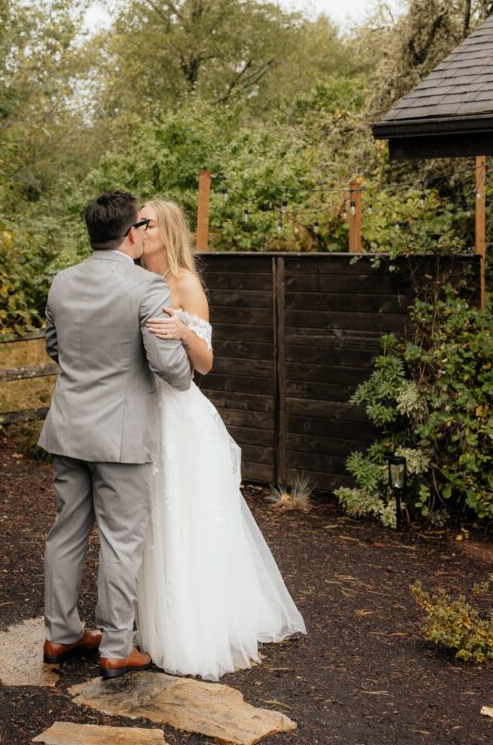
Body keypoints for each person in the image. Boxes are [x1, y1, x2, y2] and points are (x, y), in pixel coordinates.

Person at [135, 198, 306, 681]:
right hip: (144, 412)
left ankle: (198, 627)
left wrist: (183, 332)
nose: (136, 229)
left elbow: (207, 363)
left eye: (143, 222)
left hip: (181, 415)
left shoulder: (187, 284)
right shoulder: (132, 280)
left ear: (163, 230)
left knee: (190, 516)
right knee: (153, 519)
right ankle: (157, 622)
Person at [38, 191, 192, 680]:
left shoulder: (62, 281)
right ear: (132, 233)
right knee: (122, 539)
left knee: (66, 532)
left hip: (67, 427)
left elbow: (55, 346)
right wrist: (188, 370)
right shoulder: (148, 288)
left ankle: (60, 636)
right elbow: (169, 367)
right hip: (122, 436)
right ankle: (116, 647)